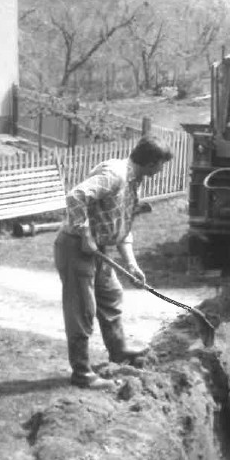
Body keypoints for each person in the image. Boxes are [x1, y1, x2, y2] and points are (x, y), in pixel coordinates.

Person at [54, 135, 173, 390]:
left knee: (111, 297)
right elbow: (75, 196)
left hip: (100, 250)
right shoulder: (115, 174)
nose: (162, 170)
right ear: (151, 162)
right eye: (161, 164)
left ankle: (118, 352)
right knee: (83, 310)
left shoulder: (134, 183)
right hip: (75, 247)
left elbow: (121, 227)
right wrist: (85, 234)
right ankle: (82, 373)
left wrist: (131, 264)